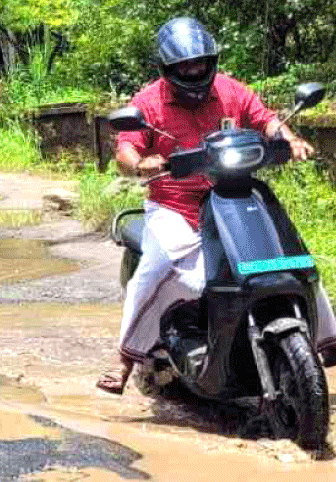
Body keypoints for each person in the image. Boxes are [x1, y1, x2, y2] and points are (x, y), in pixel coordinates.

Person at [96, 17, 336, 395]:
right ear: (168, 69)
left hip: (234, 195)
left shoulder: (229, 90)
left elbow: (266, 119)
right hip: (177, 207)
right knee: (158, 268)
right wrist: (141, 164)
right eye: (185, 67)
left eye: (200, 64)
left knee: (290, 257)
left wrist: (290, 139)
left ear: (211, 62)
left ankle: (327, 338)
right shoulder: (148, 102)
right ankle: (126, 358)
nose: (194, 71)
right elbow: (126, 150)